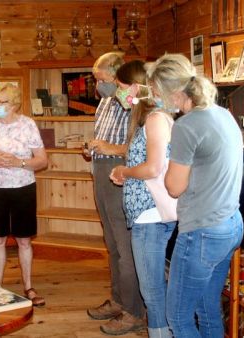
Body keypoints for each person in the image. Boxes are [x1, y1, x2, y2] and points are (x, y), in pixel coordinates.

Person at [148, 53, 244, 337]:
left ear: (173, 93)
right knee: (207, 308)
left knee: (177, 316)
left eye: (156, 92)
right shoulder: (222, 114)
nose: (154, 97)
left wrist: (167, 168)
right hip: (230, 223)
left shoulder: (187, 125)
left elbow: (174, 187)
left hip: (203, 231)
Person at [109, 60, 177, 338]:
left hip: (151, 214)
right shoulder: (147, 119)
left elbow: (153, 167)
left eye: (122, 86)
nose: (119, 92)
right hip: (146, 215)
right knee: (153, 287)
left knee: (152, 290)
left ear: (138, 87)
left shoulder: (156, 119)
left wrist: (124, 171)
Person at [86, 52, 146, 335]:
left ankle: (133, 311)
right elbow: (105, 139)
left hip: (120, 173)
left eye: (100, 78)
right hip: (101, 172)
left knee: (125, 247)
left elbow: (140, 146)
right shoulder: (105, 101)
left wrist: (112, 149)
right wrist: (93, 148)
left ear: (115, 74)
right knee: (111, 244)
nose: (97, 84)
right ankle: (119, 300)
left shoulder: (132, 101)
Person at [0, 82, 48, 306]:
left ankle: (28, 286)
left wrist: (19, 162)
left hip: (23, 188)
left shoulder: (28, 125)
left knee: (24, 241)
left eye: (0, 101)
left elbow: (42, 160)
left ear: (14, 104)